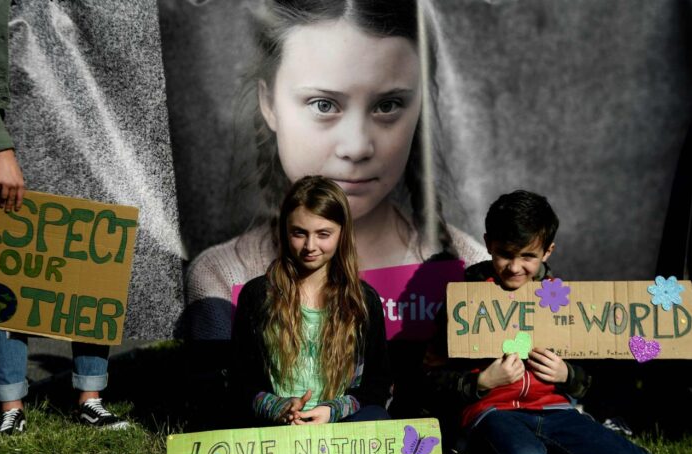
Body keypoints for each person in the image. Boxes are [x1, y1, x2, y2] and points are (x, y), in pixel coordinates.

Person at [185, 0, 489, 339]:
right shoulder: (221, 281)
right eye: (324, 105)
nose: (357, 147)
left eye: (388, 106)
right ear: (269, 103)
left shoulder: (478, 275)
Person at [0, 0, 127, 434]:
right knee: (8, 268)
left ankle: (91, 397)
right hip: (13, 144)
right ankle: (12, 406)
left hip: (80, 139)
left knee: (87, 261)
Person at [425, 190, 662, 454]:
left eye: (527, 256)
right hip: (491, 412)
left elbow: (586, 379)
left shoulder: (560, 298)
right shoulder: (465, 298)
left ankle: (544, 445)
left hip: (555, 410)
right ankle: (486, 444)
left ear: (547, 252)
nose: (514, 267)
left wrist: (566, 374)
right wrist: (481, 383)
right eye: (505, 254)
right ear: (488, 245)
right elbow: (433, 378)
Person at [233, 176, 391, 425]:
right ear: (285, 232)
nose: (310, 245)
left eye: (323, 234)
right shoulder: (258, 295)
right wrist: (279, 407)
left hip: (339, 423)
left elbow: (376, 386)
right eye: (299, 233)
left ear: (342, 234)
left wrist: (332, 411)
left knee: (377, 418)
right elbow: (242, 380)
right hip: (276, 425)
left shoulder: (363, 301)